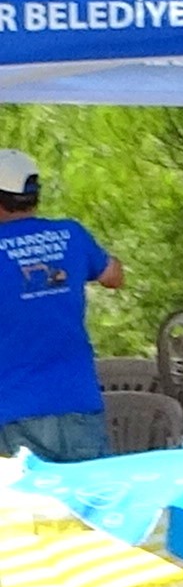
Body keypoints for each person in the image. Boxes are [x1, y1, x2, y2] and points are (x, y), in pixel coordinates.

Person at [0, 149, 121, 465]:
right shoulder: (71, 234)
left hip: (12, 409)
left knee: (23, 513)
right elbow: (113, 276)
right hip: (77, 401)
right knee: (88, 508)